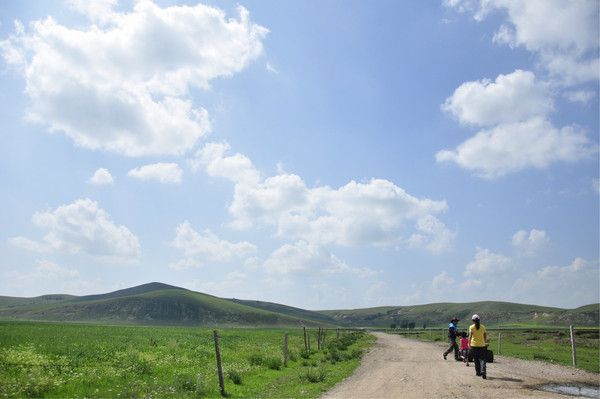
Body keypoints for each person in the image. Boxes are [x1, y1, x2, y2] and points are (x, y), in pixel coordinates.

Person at [468, 314, 488, 379]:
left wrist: (469, 344)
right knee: (482, 359)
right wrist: (485, 342)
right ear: (479, 320)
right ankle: (483, 371)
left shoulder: (471, 327)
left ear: (473, 321)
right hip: (482, 345)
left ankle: (478, 372)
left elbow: (470, 336)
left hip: (474, 346)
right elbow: (485, 336)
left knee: (476, 360)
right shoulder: (483, 327)